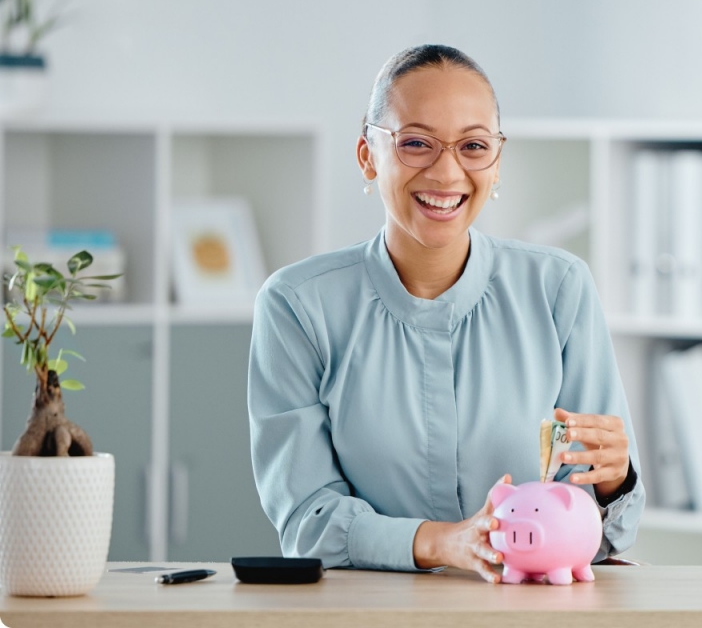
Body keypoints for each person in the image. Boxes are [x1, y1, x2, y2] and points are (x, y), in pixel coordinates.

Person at [248, 44, 645, 584]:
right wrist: (445, 542)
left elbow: (606, 534)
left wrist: (612, 482)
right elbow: (306, 519)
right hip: (369, 615)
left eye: (473, 146)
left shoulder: (559, 287)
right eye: (416, 143)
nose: (446, 171)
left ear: (497, 162)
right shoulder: (297, 305)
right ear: (367, 154)